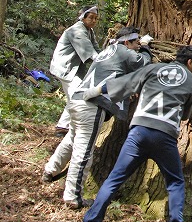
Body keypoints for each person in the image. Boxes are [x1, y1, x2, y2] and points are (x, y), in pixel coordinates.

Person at [79, 45, 192, 222]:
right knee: (175, 182)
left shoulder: (153, 69)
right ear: (190, 63)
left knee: (115, 178)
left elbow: (124, 83)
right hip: (165, 136)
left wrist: (95, 91)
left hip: (139, 131)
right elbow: (186, 115)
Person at [42, 27, 152, 209]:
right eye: (135, 44)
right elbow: (143, 63)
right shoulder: (122, 50)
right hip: (92, 104)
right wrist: (146, 48)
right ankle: (72, 196)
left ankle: (50, 170)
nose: (136, 47)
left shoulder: (108, 51)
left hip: (78, 100)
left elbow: (118, 74)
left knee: (71, 140)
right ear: (127, 42)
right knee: (84, 151)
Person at [49, 5, 100, 133]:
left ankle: (63, 126)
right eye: (91, 18)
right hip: (65, 67)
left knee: (74, 96)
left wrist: (107, 57)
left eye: (95, 18)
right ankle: (68, 127)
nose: (93, 21)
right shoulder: (77, 30)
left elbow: (96, 49)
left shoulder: (89, 31)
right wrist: (103, 61)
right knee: (78, 96)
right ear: (83, 17)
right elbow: (90, 53)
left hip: (73, 69)